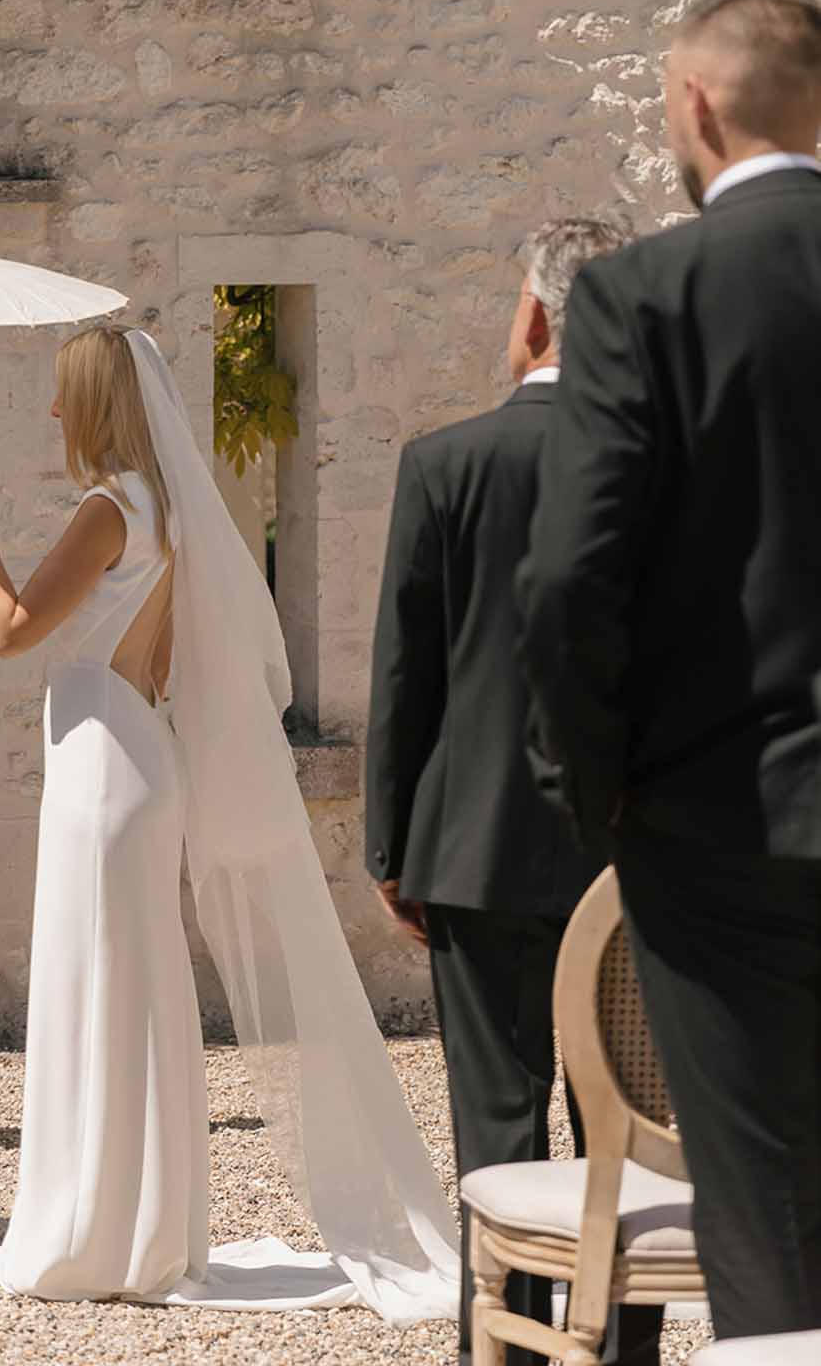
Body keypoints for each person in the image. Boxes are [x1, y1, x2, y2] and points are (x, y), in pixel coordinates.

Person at [0, 325, 460, 1318]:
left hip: (103, 767)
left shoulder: (108, 507)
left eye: (65, 395)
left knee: (100, 984)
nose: (52, 413)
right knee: (129, 987)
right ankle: (138, 1221)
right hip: (135, 751)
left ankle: (98, 1226)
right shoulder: (170, 507)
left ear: (97, 403)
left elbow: (12, 630)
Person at [516, 0, 821, 1340]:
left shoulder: (643, 295)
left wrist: (598, 784)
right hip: (718, 811)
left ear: (692, 105)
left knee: (756, 1194)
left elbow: (573, 572)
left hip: (718, 815)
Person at [367, 215, 661, 1366]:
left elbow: (407, 672)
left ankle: (508, 1350)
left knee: (497, 1121)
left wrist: (392, 844)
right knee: (624, 1129)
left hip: (474, 842)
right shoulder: (666, 472)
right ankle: (621, 1349)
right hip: (630, 856)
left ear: (532, 315)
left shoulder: (444, 463)